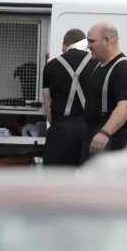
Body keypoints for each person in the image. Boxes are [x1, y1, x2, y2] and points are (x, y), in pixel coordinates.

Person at [82, 22, 127, 160]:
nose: (88, 46)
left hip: (115, 147)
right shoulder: (99, 67)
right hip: (98, 144)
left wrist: (104, 133)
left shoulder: (123, 69)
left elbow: (126, 105)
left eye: (91, 41)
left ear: (107, 40)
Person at [41, 28, 99, 166]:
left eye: (63, 44)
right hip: (88, 130)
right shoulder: (97, 64)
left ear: (68, 43)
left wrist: (57, 124)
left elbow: (47, 106)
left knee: (57, 181)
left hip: (61, 129)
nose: (61, 49)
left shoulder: (51, 66)